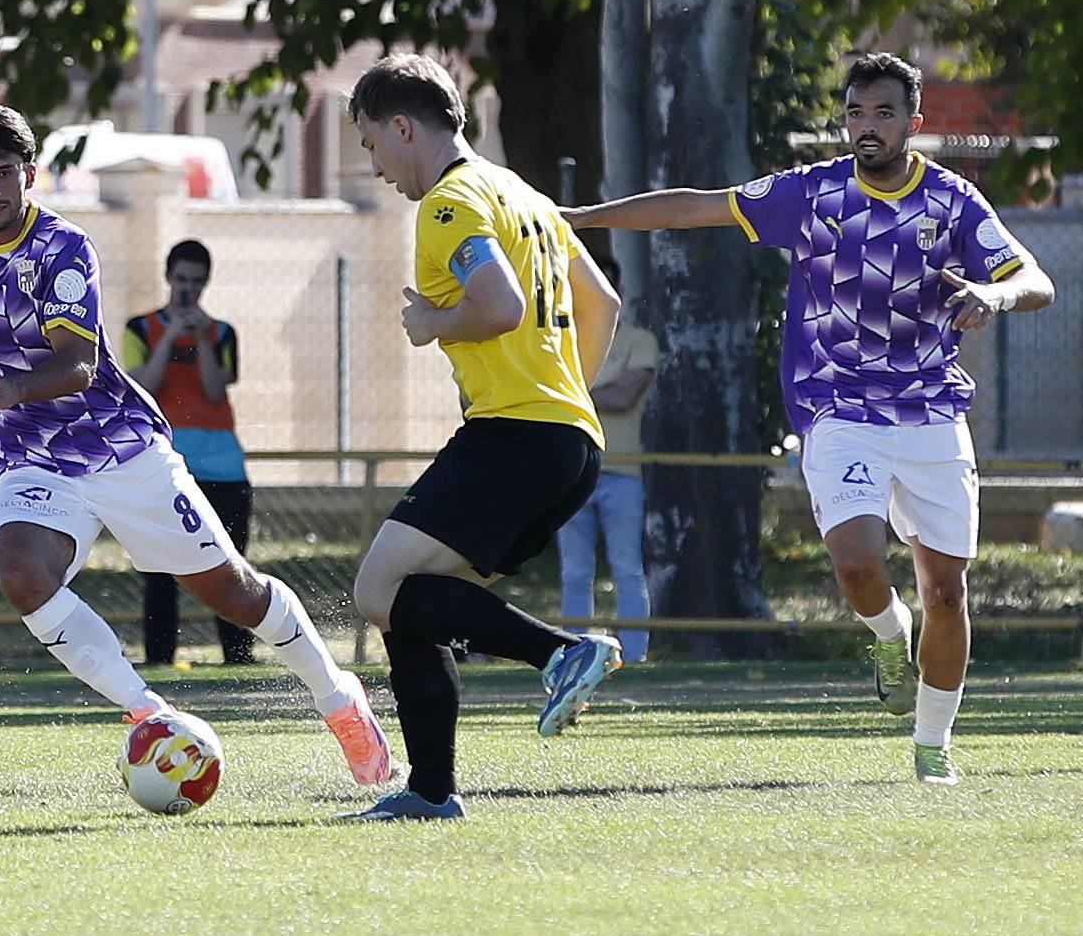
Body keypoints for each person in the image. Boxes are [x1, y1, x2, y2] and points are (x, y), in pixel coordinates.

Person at [0, 101, 391, 785]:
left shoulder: (61, 248)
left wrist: (10, 388)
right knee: (20, 571)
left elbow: (78, 364)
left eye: (5, 172)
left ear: (30, 173)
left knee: (234, 594)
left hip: (121, 449)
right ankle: (148, 713)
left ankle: (339, 700)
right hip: (34, 461)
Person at [561, 52, 1056, 785]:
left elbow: (1034, 279)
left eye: (883, 114)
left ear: (913, 124)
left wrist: (994, 297)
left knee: (947, 592)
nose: (866, 127)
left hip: (929, 412)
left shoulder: (953, 202)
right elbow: (696, 206)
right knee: (857, 563)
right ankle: (889, 634)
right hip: (838, 406)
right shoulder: (813, 193)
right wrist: (575, 217)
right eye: (856, 113)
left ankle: (932, 748)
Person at [341, 53, 625, 822]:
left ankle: (563, 653)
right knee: (411, 601)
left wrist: (432, 323)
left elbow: (497, 305)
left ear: (403, 127)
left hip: (516, 436)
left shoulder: (447, 204)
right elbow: (602, 300)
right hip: (566, 439)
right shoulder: (520, 191)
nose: (374, 164)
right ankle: (431, 791)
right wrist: (568, 396)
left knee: (377, 590)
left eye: (371, 144)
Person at [123, 239, 255, 666]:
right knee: (160, 569)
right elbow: (144, 385)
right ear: (168, 278)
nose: (188, 289)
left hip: (222, 465)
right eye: (182, 280)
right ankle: (159, 657)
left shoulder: (221, 333)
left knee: (230, 563)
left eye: (196, 282)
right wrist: (170, 337)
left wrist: (200, 337)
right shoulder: (140, 329)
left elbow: (216, 388)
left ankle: (238, 656)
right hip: (164, 464)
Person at [556, 254, 658, 663]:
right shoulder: (560, 341)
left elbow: (624, 397)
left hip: (622, 473)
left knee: (627, 569)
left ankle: (633, 657)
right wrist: (602, 389)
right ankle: (570, 655)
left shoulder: (639, 341)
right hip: (571, 471)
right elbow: (608, 393)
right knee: (575, 573)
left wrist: (574, 390)